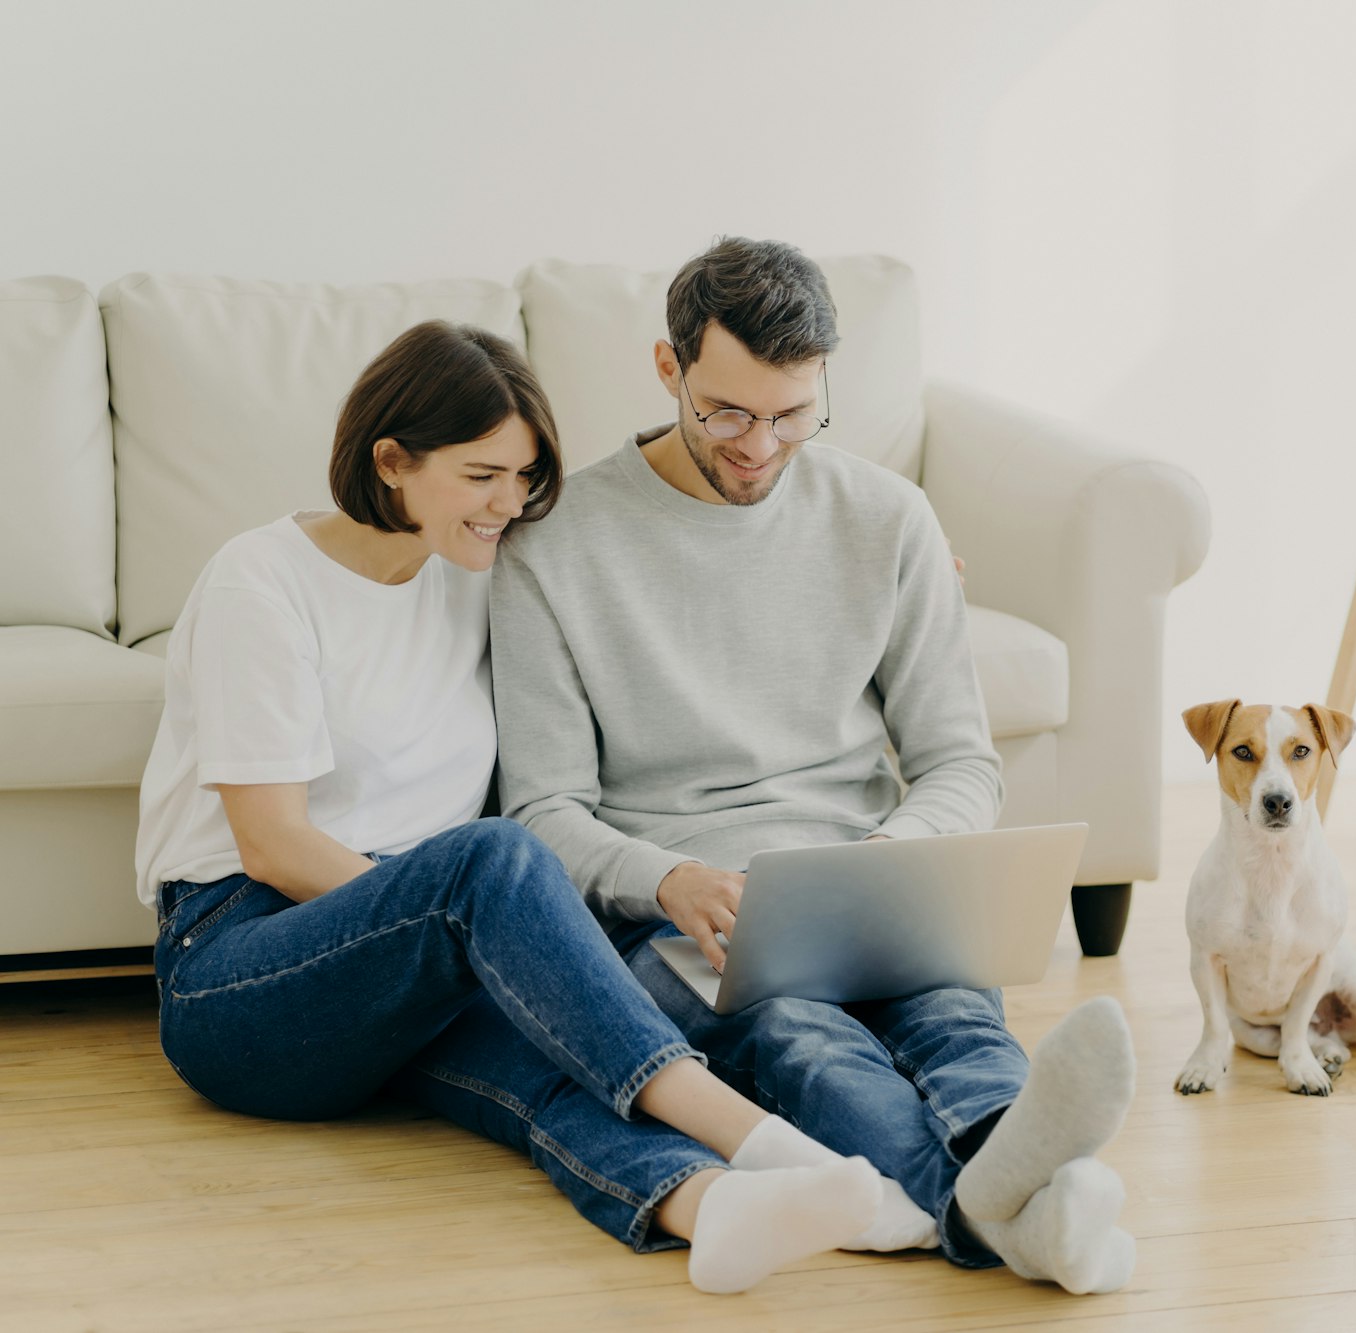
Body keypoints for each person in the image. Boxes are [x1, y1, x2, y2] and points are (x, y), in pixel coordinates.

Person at [134, 319, 929, 1294]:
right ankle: (763, 1141)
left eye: (522, 477)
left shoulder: (479, 572)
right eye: (481, 476)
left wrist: (899, 562)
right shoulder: (262, 581)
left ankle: (707, 1207)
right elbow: (273, 845)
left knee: (555, 1064)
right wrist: (453, 920)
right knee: (494, 857)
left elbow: (662, 565)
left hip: (405, 960)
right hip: (238, 968)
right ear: (392, 460)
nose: (508, 504)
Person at [488, 237, 1139, 1295]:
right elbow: (542, 809)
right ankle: (1015, 1207)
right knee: (801, 1038)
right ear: (668, 371)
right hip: (686, 904)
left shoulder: (886, 517)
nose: (758, 446)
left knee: (955, 1014)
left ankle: (1003, 1178)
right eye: (727, 413)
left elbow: (958, 762)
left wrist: (899, 852)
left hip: (868, 872)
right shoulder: (555, 543)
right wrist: (667, 878)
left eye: (793, 415)